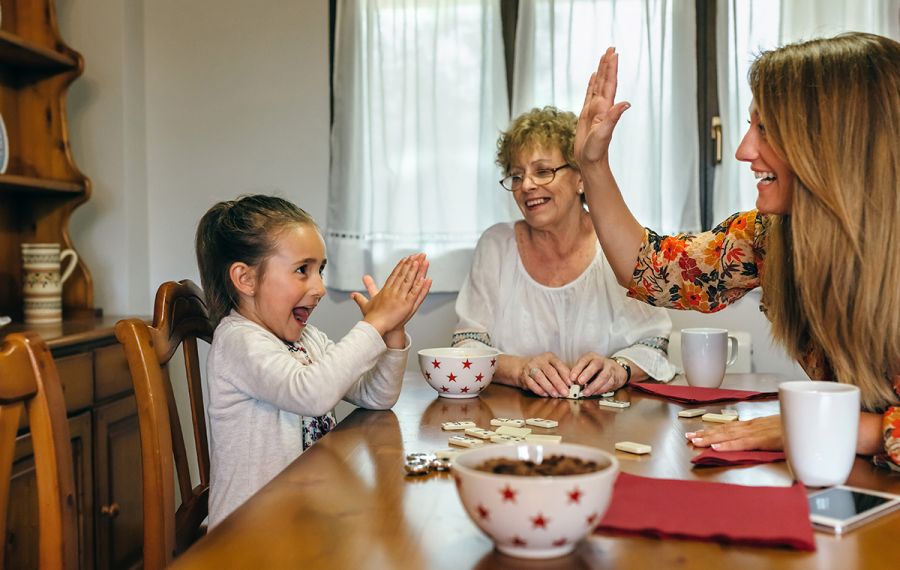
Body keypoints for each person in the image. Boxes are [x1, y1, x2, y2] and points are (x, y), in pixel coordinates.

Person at [574, 33, 900, 469]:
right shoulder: (768, 235)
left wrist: (820, 425)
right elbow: (652, 270)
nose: (744, 150)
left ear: (836, 141)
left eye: (765, 129)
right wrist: (592, 165)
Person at [195, 194, 432, 525]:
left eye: (320, 269)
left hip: (303, 514)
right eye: (302, 270)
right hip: (249, 531)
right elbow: (311, 393)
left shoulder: (307, 339)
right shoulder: (238, 340)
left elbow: (376, 396)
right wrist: (372, 325)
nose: (319, 287)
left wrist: (391, 332)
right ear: (246, 279)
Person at [452, 106, 676, 399]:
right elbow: (467, 346)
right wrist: (520, 369)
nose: (527, 186)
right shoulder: (496, 245)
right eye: (516, 176)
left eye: (543, 171)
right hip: (515, 427)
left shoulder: (617, 245)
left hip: (607, 427)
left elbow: (653, 342)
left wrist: (619, 368)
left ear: (581, 179)